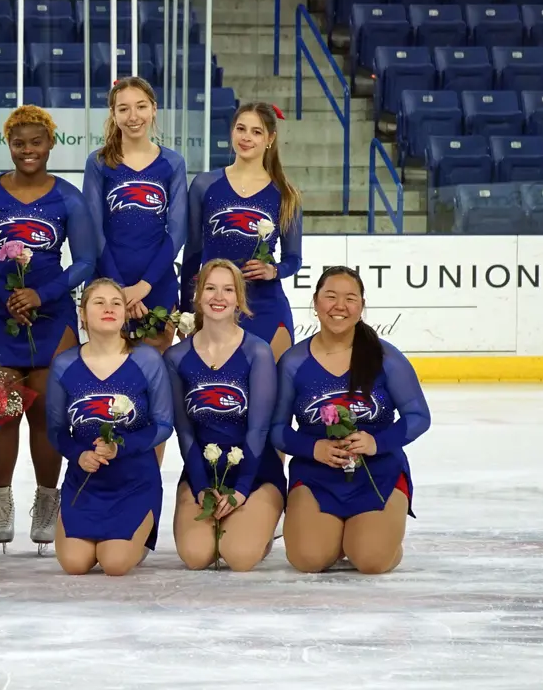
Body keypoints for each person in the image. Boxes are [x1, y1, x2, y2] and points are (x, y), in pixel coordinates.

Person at [0, 105, 97, 553]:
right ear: (8, 145)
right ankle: (0, 501)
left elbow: (84, 261)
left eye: (36, 142)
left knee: (46, 413)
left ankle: (47, 499)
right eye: (19, 143)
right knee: (0, 412)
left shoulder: (68, 197)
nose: (28, 151)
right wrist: (7, 293)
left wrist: (42, 294)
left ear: (51, 143)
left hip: (50, 311)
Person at [270, 266, 431, 575]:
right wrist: (314, 448)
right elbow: (277, 430)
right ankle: (337, 535)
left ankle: (373, 539)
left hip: (378, 472)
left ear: (361, 306)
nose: (339, 306)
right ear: (316, 303)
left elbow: (418, 416)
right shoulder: (294, 362)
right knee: (308, 559)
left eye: (350, 298)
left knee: (371, 561)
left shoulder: (385, 357)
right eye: (330, 297)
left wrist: (376, 442)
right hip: (317, 475)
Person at [46, 278, 174, 576]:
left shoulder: (146, 359)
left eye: (116, 303)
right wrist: (78, 454)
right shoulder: (65, 364)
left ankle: (136, 538)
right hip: (85, 483)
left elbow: (164, 425)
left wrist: (121, 447)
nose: (109, 309)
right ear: (82, 313)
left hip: (134, 483)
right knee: (74, 564)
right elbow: (55, 430)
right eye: (99, 303)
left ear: (125, 313)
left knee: (114, 564)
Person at [164, 259, 284, 571]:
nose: (219, 297)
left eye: (228, 290)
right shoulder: (176, 357)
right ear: (198, 295)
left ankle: (260, 523)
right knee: (196, 556)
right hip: (201, 474)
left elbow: (259, 430)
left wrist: (241, 490)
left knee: (239, 557)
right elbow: (184, 431)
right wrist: (202, 484)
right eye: (211, 288)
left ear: (239, 299)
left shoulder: (256, 351)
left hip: (255, 475)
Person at [181, 102, 302, 362]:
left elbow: (294, 259)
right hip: (216, 305)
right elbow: (192, 251)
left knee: (274, 394)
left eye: (257, 132)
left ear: (270, 139)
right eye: (241, 129)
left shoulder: (285, 194)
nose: (247, 137)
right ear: (232, 132)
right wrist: (185, 310)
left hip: (266, 305)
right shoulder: (205, 185)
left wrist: (274, 270)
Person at [82, 76, 187, 354]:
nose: (133, 116)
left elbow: (177, 232)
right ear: (113, 114)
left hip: (157, 284)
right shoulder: (98, 162)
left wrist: (144, 286)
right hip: (106, 284)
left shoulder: (173, 163)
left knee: (155, 376)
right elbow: (92, 231)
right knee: (108, 374)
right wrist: (119, 291)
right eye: (124, 108)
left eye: (140, 107)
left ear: (154, 109)